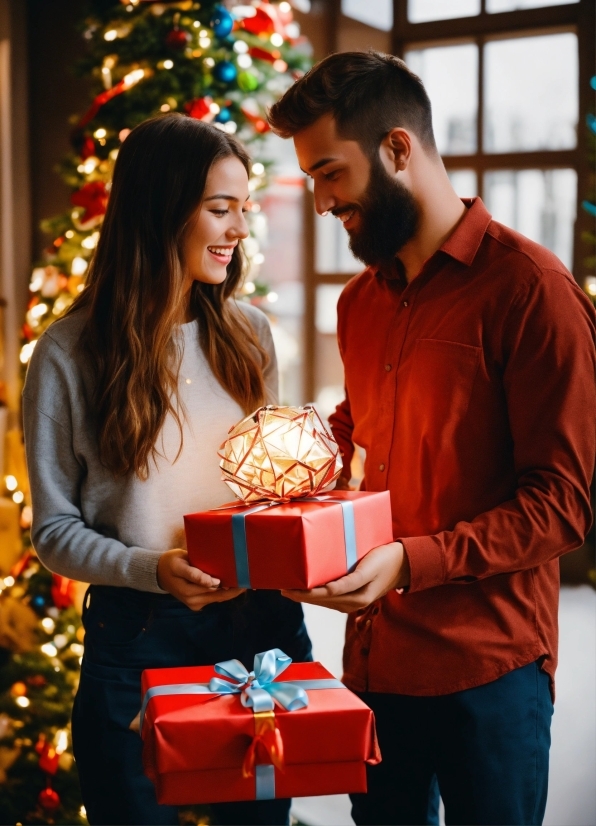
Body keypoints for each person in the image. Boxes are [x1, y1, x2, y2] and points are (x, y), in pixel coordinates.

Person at [269, 51, 596, 826]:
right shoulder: (358, 303)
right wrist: (286, 483)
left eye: (329, 173)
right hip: (375, 667)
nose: (320, 202)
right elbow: (361, 430)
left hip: (489, 675)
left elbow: (563, 507)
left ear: (396, 150)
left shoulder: (533, 292)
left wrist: (413, 562)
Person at [22, 113, 311, 826]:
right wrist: (152, 568)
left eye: (243, 208)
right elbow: (54, 529)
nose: (240, 228)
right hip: (138, 635)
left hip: (259, 628)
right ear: (159, 209)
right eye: (220, 208)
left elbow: (269, 491)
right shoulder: (68, 353)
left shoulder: (250, 335)